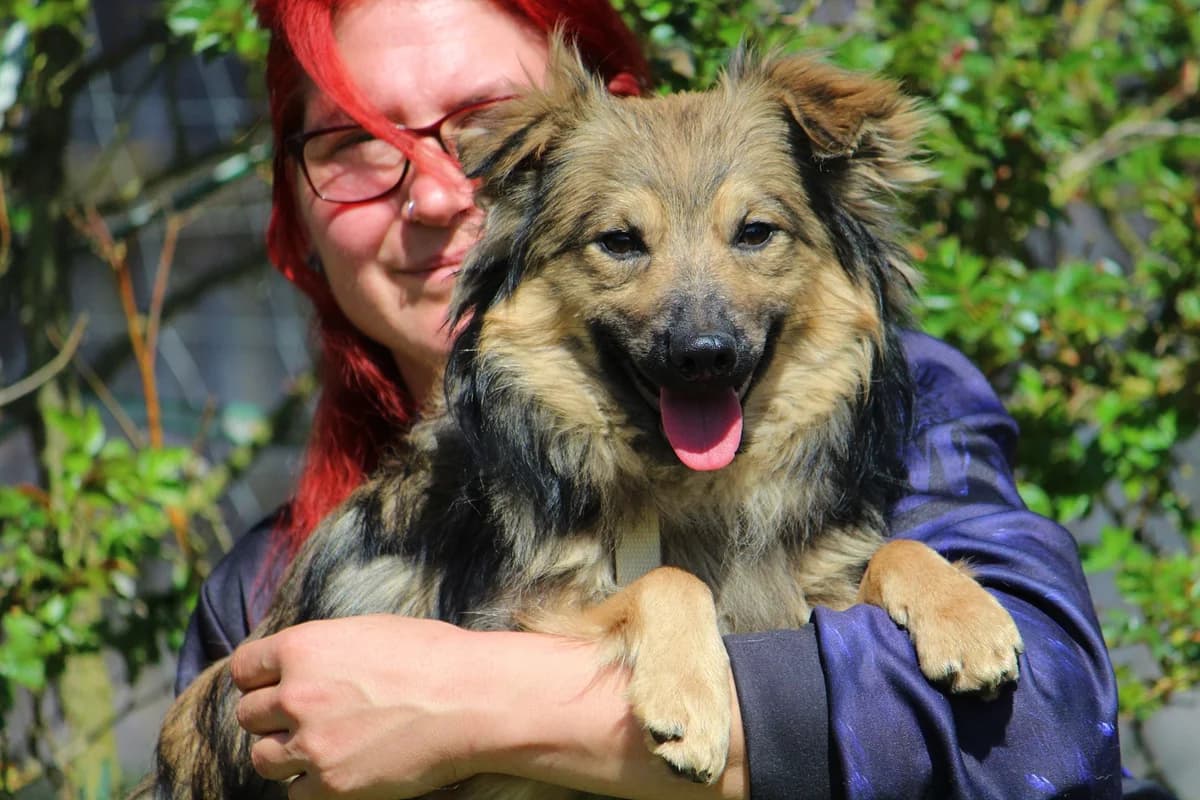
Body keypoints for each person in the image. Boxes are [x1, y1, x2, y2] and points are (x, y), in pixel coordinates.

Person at [173, 0, 1152, 797]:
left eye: (472, 121)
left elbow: (1042, 726)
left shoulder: (913, 416)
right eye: (357, 143)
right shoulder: (267, 584)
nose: (436, 189)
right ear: (293, 209)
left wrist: (478, 702)